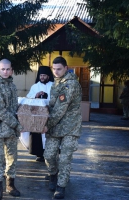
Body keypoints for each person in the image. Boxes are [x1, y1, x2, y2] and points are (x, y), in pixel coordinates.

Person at [42, 56, 82, 199]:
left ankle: (61, 186)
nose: (56, 72)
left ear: (66, 68)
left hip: (70, 128)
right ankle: (53, 175)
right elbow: (52, 105)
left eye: (59, 69)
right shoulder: (56, 83)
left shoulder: (70, 84)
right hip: (56, 128)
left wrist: (46, 125)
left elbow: (60, 109)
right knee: (49, 156)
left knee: (65, 159)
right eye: (54, 69)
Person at [0, 59, 23, 200]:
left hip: (11, 131)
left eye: (8, 69)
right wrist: (17, 124)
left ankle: (10, 185)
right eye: (3, 69)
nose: (5, 72)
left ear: (11, 70)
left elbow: (14, 108)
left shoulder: (12, 86)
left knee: (12, 158)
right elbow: (0, 111)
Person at [26, 66, 54, 162]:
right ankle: (39, 154)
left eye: (44, 75)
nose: (42, 77)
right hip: (37, 115)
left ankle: (50, 153)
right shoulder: (35, 86)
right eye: (41, 75)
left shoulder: (54, 85)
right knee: (37, 134)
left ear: (48, 76)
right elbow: (28, 98)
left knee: (50, 134)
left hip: (50, 115)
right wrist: (36, 95)